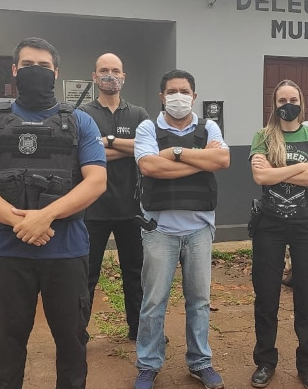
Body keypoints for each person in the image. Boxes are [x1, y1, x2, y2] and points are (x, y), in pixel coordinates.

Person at [0, 37, 107, 389]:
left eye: (43, 66)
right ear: (14, 70)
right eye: (27, 65)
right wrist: (22, 221)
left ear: (55, 73)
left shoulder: (81, 122)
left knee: (72, 344)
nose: (35, 71)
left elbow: (96, 181)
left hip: (66, 252)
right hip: (8, 253)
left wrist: (47, 215)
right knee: (6, 346)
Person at [132, 69, 230, 389]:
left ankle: (200, 362)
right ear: (162, 96)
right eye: (172, 91)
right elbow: (148, 166)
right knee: (153, 301)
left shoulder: (208, 127)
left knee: (199, 300)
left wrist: (175, 154)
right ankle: (148, 364)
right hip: (159, 229)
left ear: (194, 96)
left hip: (199, 229)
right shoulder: (148, 127)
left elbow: (222, 160)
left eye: (184, 91)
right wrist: (200, 161)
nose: (178, 96)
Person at [248, 80, 308, 389]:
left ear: (301, 101)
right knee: (266, 295)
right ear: (275, 104)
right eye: (282, 100)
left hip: (305, 225)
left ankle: (307, 366)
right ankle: (265, 362)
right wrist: (300, 167)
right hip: (268, 224)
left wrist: (277, 170)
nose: (288, 104)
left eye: (292, 99)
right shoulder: (263, 136)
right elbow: (260, 176)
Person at [79, 53, 149, 339]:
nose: (111, 75)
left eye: (116, 70)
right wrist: (127, 148)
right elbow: (81, 154)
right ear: (94, 77)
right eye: (104, 70)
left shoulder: (138, 114)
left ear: (124, 76)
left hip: (131, 208)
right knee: (86, 274)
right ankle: (78, 332)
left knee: (136, 273)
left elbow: (146, 149)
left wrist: (105, 143)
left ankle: (139, 329)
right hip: (92, 208)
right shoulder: (82, 114)